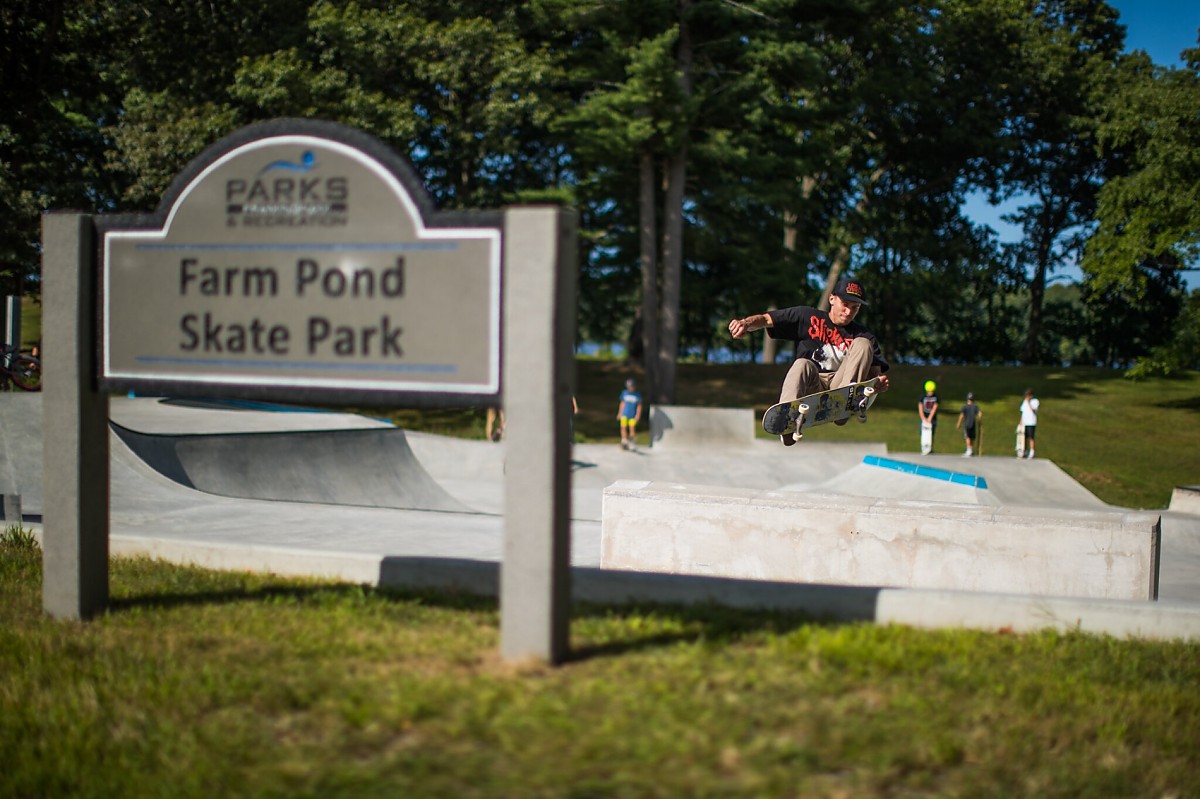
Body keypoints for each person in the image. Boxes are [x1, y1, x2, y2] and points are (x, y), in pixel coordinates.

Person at [728, 277, 891, 446]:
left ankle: (845, 402)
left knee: (863, 343)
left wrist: (879, 383)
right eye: (845, 304)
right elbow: (766, 319)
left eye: (854, 308)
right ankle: (787, 421)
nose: (848, 312)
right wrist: (745, 323)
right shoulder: (806, 316)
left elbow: (875, 375)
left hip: (841, 384)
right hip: (813, 384)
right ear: (832, 299)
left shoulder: (864, 334)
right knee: (802, 364)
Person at [616, 379, 643, 450]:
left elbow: (639, 406)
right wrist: (619, 413)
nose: (630, 388)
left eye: (632, 386)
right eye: (629, 387)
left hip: (632, 414)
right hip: (624, 413)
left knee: (632, 428)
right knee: (623, 427)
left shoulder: (637, 394)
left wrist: (638, 414)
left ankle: (631, 442)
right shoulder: (624, 393)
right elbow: (622, 403)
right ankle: (624, 440)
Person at [956, 392, 982, 457]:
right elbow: (980, 413)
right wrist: (979, 420)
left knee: (967, 437)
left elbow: (961, 415)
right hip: (973, 423)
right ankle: (971, 449)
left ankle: (969, 450)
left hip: (966, 424)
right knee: (972, 437)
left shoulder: (965, 407)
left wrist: (959, 423)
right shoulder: (975, 406)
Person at [919, 380, 939, 454]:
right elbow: (920, 407)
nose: (931, 392)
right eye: (930, 391)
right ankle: (923, 447)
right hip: (924, 418)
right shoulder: (923, 397)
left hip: (932, 418)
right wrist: (923, 418)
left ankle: (930, 448)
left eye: (932, 391)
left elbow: (935, 407)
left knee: (931, 433)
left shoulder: (936, 397)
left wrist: (930, 418)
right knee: (923, 433)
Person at [1019, 388, 1039, 459]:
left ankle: (1032, 452)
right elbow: (1023, 412)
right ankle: (1025, 451)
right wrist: (1021, 422)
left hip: (1031, 422)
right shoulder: (1024, 402)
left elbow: (1033, 410)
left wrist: (1029, 402)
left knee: (1031, 437)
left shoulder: (1035, 401)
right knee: (1024, 438)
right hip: (1025, 422)